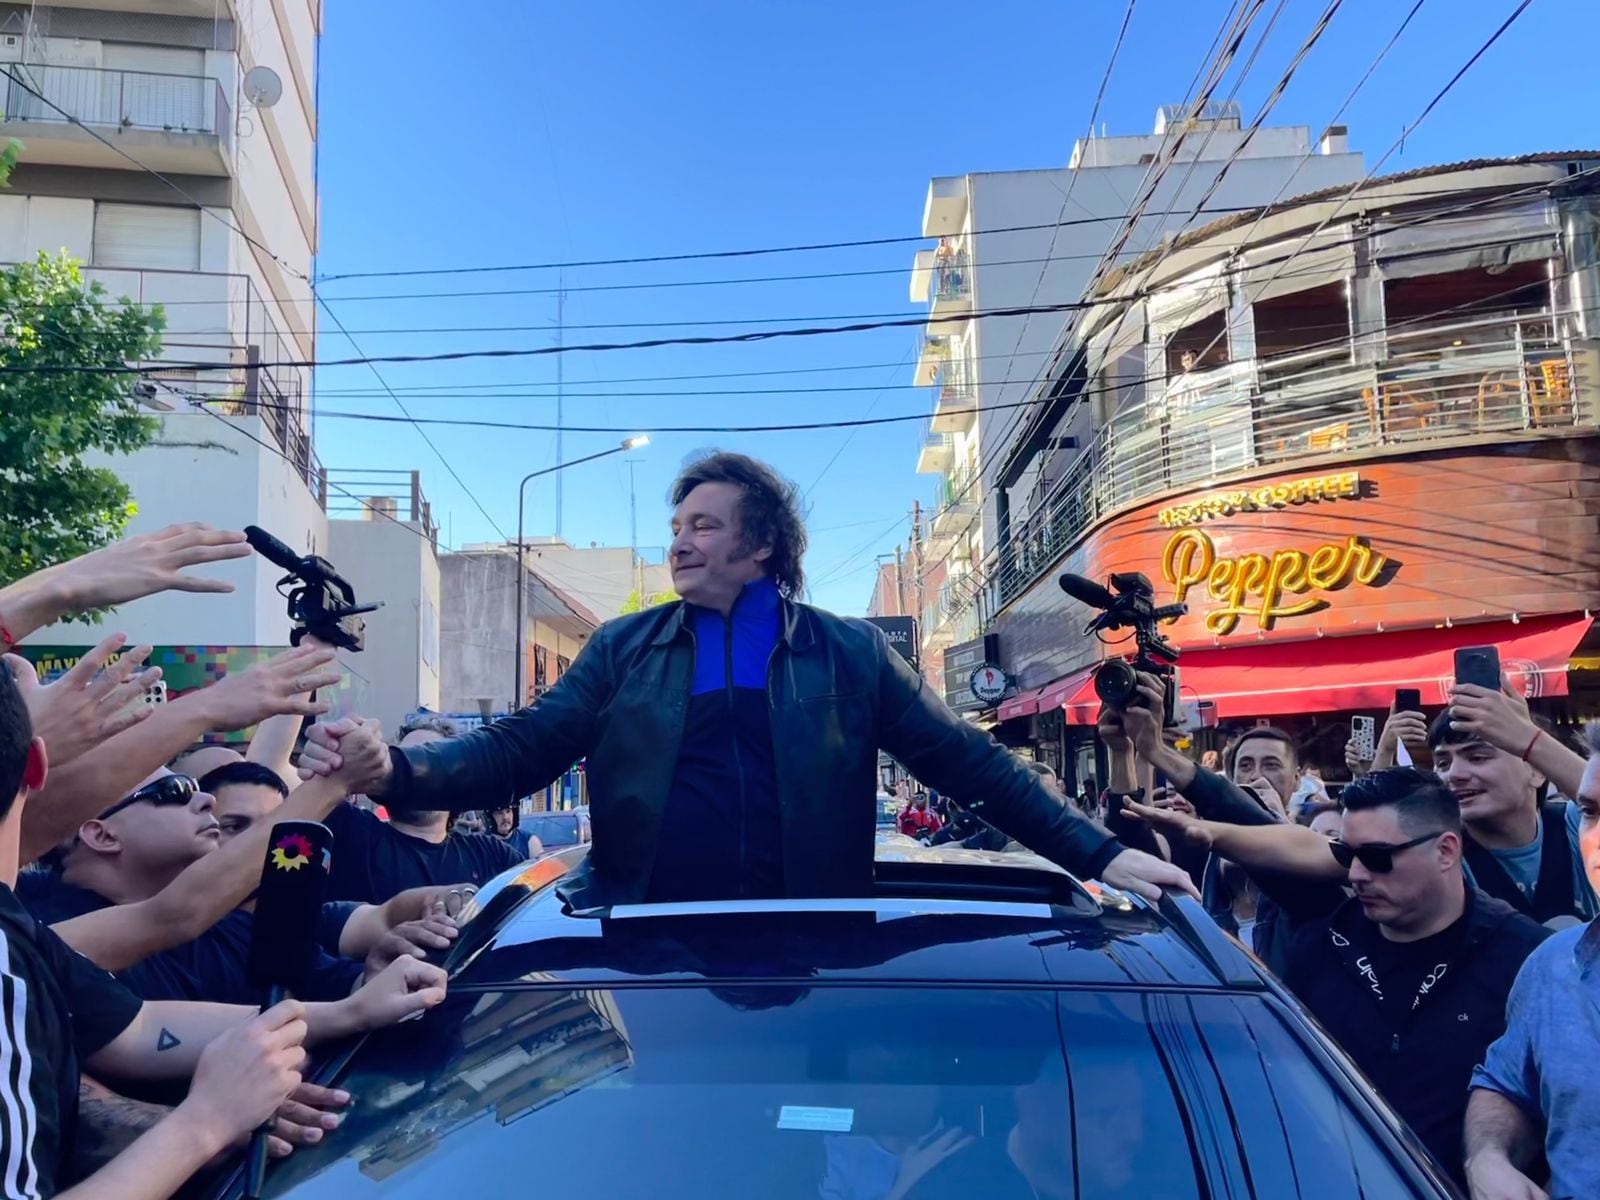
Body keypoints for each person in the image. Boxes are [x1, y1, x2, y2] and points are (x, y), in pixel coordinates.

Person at [301, 452, 1192, 906]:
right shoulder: (622, 649)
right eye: (676, 525)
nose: (679, 543)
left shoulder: (848, 654)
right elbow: (524, 748)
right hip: (642, 950)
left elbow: (969, 761)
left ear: (760, 545)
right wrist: (400, 774)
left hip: (813, 948)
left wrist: (1099, 852)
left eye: (703, 525)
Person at [0, 659, 449, 1199]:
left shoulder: (22, 935)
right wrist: (205, 1123)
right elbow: (175, 913)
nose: (204, 799)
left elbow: (139, 1029)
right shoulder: (40, 926)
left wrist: (351, 1008)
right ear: (38, 768)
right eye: (173, 790)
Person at [1128, 768, 1550, 1186]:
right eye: (1346, 856)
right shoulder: (1321, 945)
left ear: (1445, 850)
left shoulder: (1526, 958)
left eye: (1378, 858)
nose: (1356, 875)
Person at [1462, 721, 1600, 1200]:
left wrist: (1528, 740)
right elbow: (1504, 1084)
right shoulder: (1551, 966)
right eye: (1590, 812)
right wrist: (1488, 1157)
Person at [1434, 686, 1598, 924]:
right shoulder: (1441, 853)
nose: (1454, 774)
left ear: (1536, 770)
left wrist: (1531, 741)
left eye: (1477, 757)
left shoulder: (1573, 825)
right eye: (1442, 763)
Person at [320, 717, 528, 904]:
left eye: (429, 761)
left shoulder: (494, 856)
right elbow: (289, 784)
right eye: (405, 760)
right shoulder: (349, 830)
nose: (415, 772)